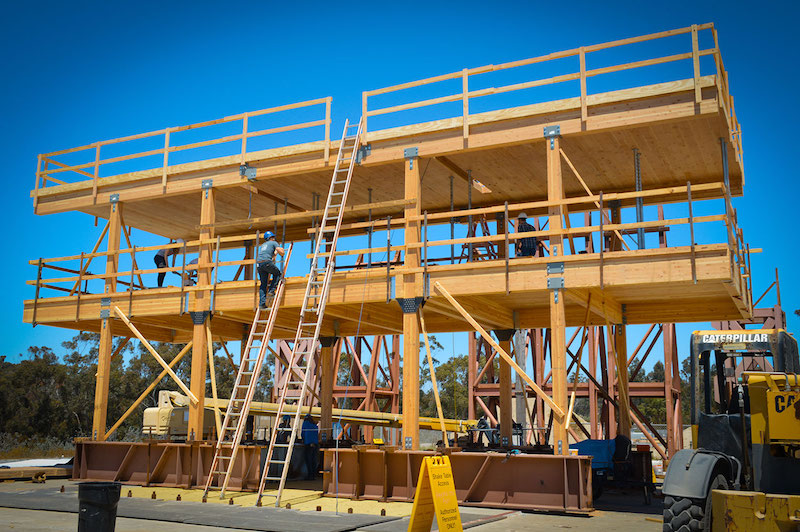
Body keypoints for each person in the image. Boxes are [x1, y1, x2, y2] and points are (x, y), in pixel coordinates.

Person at [257, 231, 285, 309]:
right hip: (267, 262)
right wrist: (281, 250)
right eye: (273, 237)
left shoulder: (263, 245)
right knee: (278, 273)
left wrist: (274, 254)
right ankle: (271, 290)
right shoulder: (273, 243)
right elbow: (282, 253)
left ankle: (262, 304)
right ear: (271, 238)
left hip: (259, 264)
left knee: (263, 283)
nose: (274, 238)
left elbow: (268, 254)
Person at [301, 414, 319, 480]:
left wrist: (303, 440)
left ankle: (310, 475)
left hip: (308, 443)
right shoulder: (314, 425)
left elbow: (303, 433)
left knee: (308, 460)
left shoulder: (305, 423)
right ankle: (313, 475)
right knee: (313, 460)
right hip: (315, 444)